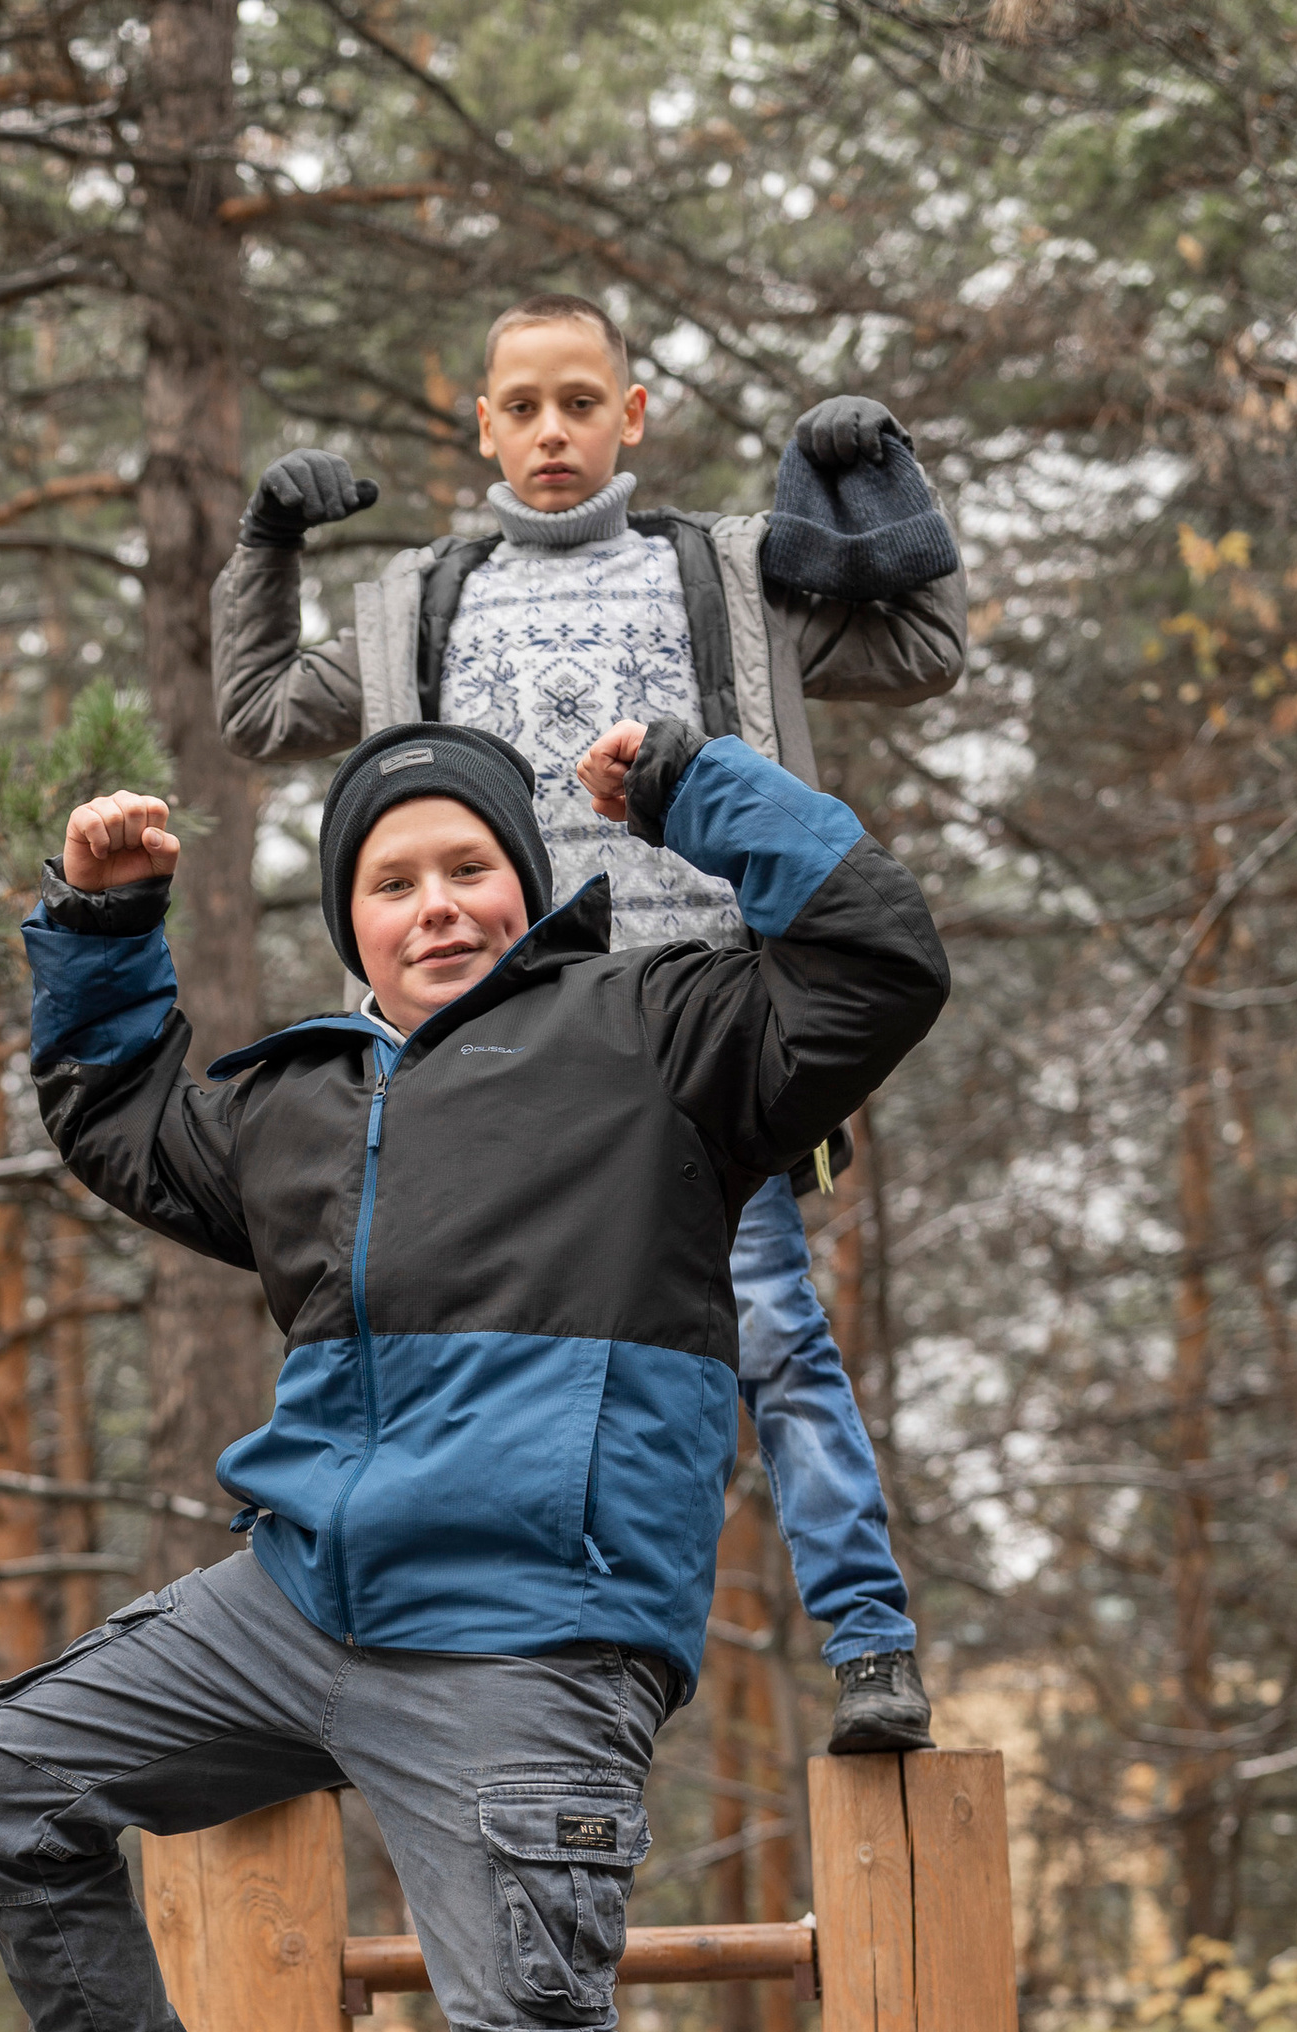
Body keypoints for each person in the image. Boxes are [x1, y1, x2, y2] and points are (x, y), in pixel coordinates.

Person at [0, 708, 949, 2032]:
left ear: (527, 884)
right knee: (23, 1772)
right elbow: (119, 1115)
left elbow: (882, 948)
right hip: (300, 1604)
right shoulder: (311, 1098)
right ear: (352, 921)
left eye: (467, 868)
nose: (434, 904)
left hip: (533, 1635)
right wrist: (105, 920)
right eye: (393, 881)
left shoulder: (664, 1034)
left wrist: (682, 791)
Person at [211, 292, 967, 1758]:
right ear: (478, 422)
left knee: (781, 1344)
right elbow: (250, 711)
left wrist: (885, 478)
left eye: (579, 401)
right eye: (521, 405)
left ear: (633, 413)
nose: (550, 430)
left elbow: (924, 647)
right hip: (489, 1052)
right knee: (427, 1358)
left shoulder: (729, 573)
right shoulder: (415, 603)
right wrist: (267, 546)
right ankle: (393, 1666)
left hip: (699, 1041)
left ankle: (871, 1647)